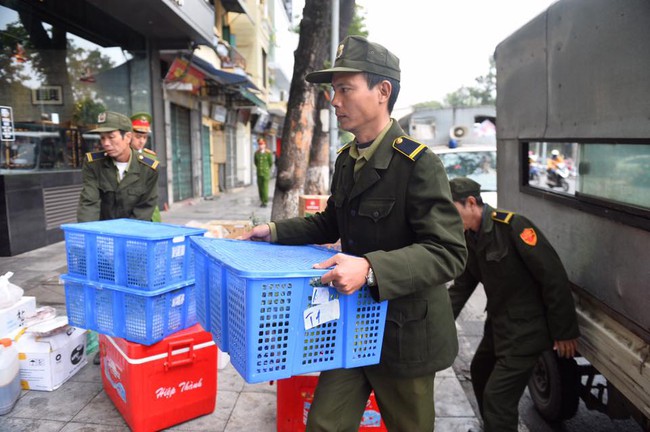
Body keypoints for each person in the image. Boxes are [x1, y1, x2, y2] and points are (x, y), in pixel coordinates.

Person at [243, 35, 467, 431]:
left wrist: (369, 268)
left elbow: (448, 252)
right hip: (354, 327)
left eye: (345, 89)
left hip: (404, 334)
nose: (334, 100)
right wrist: (272, 230)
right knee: (324, 425)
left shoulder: (417, 164)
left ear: (382, 91)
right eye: (333, 90)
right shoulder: (348, 160)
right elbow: (330, 223)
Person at [447, 177, 580, 432]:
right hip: (499, 326)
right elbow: (462, 287)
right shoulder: (470, 238)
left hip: (527, 331)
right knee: (480, 371)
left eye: (451, 211)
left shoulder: (513, 227)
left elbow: (552, 277)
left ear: (471, 203)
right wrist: (436, 324)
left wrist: (565, 331)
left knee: (498, 399)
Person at [77, 111, 159, 223]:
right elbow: (89, 203)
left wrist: (123, 235)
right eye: (102, 138)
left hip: (136, 231)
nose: (105, 143)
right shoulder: (94, 164)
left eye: (111, 137)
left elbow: (144, 208)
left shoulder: (148, 168)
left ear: (128, 137)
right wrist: (88, 233)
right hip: (104, 232)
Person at [130, 112, 161, 222]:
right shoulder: (123, 157)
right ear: (129, 135)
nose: (142, 141)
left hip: (151, 213)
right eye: (138, 136)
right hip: (132, 214)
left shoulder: (151, 157)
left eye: (145, 137)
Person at [254, 137, 274, 207]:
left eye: (262, 144)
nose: (261, 145)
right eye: (259, 144)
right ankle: (261, 200)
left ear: (265, 144)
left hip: (265, 173)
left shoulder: (268, 153)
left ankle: (265, 201)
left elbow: (271, 162)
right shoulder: (256, 153)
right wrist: (260, 168)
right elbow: (256, 163)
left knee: (265, 187)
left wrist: (267, 169)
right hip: (259, 172)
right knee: (260, 187)